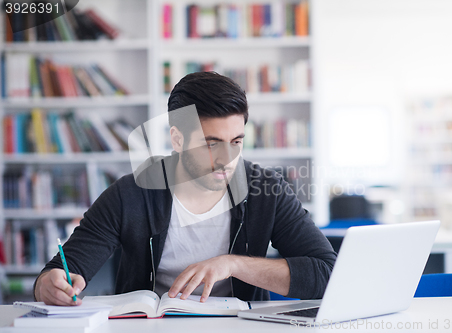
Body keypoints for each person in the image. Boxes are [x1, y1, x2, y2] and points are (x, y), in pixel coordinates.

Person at [34, 72, 337, 306]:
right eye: (211, 143)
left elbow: (326, 274)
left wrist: (232, 265)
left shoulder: (265, 191)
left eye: (236, 142)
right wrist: (50, 284)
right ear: (177, 139)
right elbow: (61, 270)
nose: (226, 160)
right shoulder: (130, 194)